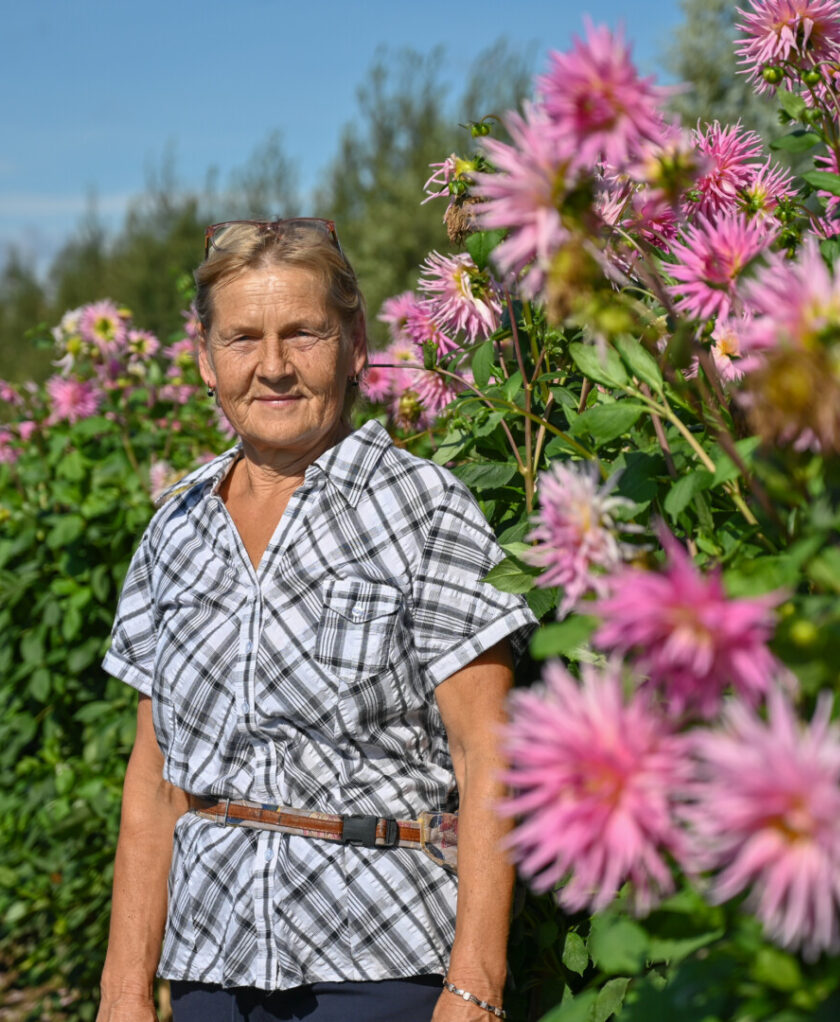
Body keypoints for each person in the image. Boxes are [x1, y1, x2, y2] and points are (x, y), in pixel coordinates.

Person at [95, 218, 536, 1022]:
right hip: (211, 969)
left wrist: (475, 986)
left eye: (303, 333)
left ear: (355, 341)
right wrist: (124, 992)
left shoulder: (423, 508)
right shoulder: (177, 527)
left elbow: (488, 755)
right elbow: (153, 786)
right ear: (204, 357)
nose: (272, 367)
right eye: (242, 339)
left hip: (381, 964)